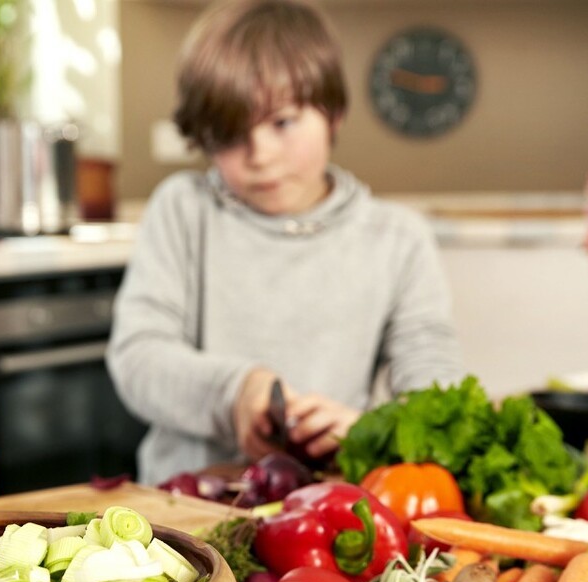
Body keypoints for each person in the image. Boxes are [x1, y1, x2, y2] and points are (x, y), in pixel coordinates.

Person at [107, 0, 466, 486]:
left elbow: (434, 390)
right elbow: (138, 358)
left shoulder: (398, 239)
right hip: (184, 504)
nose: (261, 155)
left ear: (334, 112)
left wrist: (367, 432)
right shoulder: (182, 210)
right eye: (231, 134)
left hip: (329, 504)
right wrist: (236, 392)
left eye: (282, 122)